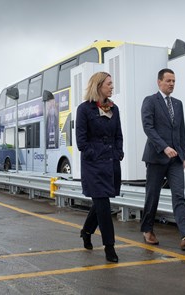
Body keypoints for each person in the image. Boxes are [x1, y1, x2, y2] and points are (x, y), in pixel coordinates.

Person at [140, 68, 185, 250]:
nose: (171, 84)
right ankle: (147, 230)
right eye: (168, 80)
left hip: (175, 159)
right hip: (156, 158)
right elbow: (148, 128)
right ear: (159, 82)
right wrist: (164, 147)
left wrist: (183, 155)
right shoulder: (150, 101)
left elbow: (181, 131)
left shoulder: (178, 104)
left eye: (174, 81)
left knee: (179, 195)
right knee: (152, 196)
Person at [75, 71, 124, 263]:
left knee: (100, 202)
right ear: (98, 86)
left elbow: (118, 135)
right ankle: (110, 247)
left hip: (111, 163)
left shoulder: (115, 108)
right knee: (104, 205)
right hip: (94, 166)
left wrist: (118, 153)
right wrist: (95, 155)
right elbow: (81, 142)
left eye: (112, 83)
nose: (112, 87)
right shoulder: (84, 109)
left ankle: (86, 232)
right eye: (109, 84)